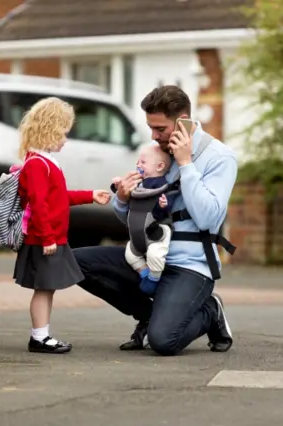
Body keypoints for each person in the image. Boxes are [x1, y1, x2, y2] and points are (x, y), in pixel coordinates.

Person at [73, 85, 238, 356]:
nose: (154, 136)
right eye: (151, 128)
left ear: (183, 119)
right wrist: (124, 199)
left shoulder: (220, 157)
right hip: (145, 255)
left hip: (190, 265)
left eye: (160, 129)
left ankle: (210, 311)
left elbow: (208, 218)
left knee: (163, 341)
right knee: (76, 263)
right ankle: (151, 316)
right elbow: (135, 217)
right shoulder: (156, 154)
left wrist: (186, 165)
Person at [13, 97, 111, 354]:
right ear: (49, 130)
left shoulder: (44, 161)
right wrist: (47, 238)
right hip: (43, 239)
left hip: (50, 237)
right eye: (63, 134)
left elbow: (58, 197)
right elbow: (38, 203)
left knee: (47, 288)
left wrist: (90, 195)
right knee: (44, 289)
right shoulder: (36, 164)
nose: (65, 140)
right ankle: (39, 337)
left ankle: (42, 335)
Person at [111, 144, 176, 295]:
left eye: (143, 162)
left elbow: (167, 204)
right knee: (130, 254)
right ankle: (145, 273)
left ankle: (154, 279)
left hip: (156, 232)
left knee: (155, 255)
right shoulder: (139, 182)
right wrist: (119, 185)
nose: (138, 165)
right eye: (138, 162)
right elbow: (127, 192)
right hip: (138, 236)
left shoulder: (161, 185)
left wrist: (164, 204)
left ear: (159, 166)